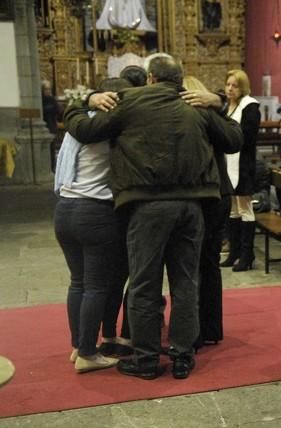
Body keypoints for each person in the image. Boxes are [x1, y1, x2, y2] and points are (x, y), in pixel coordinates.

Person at [64, 56, 243, 380]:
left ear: (150, 78)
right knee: (186, 284)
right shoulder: (196, 104)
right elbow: (234, 139)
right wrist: (217, 102)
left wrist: (80, 102)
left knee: (145, 285)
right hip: (192, 208)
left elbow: (85, 130)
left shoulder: (131, 101)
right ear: (179, 79)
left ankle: (146, 359)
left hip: (147, 207)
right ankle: (182, 356)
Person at [54, 78, 132, 373]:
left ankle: (78, 345)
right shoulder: (109, 126)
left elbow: (71, 111)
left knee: (78, 282)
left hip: (65, 208)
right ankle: (88, 351)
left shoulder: (79, 122)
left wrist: (86, 98)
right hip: (95, 210)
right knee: (96, 286)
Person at [182, 75, 233, 347]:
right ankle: (211, 327)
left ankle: (195, 329)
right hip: (221, 193)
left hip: (202, 195)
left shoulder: (191, 118)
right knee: (210, 264)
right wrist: (221, 103)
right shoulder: (213, 117)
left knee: (192, 264)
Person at [220, 69, 261, 272]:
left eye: (234, 85)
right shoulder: (229, 106)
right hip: (229, 164)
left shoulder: (250, 106)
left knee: (245, 208)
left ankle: (247, 255)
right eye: (228, 84)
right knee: (233, 209)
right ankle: (234, 252)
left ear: (242, 87)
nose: (229, 89)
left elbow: (248, 138)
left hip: (243, 165)